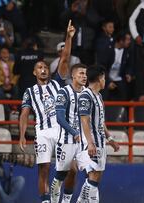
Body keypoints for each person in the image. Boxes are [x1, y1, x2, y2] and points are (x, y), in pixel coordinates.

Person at [19, 21, 73, 203]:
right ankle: (45, 200)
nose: (43, 69)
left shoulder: (57, 83)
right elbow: (25, 114)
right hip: (42, 132)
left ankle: (62, 199)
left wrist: (68, 37)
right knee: (44, 169)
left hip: (61, 131)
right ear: (35, 73)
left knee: (67, 168)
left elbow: (65, 58)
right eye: (39, 68)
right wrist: (21, 135)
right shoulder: (29, 91)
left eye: (45, 67)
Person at [75, 65, 120, 202]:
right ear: (100, 78)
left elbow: (100, 120)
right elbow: (84, 120)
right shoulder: (85, 95)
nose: (105, 80)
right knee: (93, 175)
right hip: (90, 142)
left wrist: (109, 137)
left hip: (100, 141)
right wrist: (90, 143)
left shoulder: (99, 96)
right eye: (104, 78)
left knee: (96, 176)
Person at [50, 63, 87, 203]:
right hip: (66, 140)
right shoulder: (64, 92)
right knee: (62, 174)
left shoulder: (87, 93)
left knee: (90, 173)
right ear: (73, 76)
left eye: (85, 74)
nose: (84, 76)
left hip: (83, 141)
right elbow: (59, 118)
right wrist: (73, 132)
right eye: (81, 74)